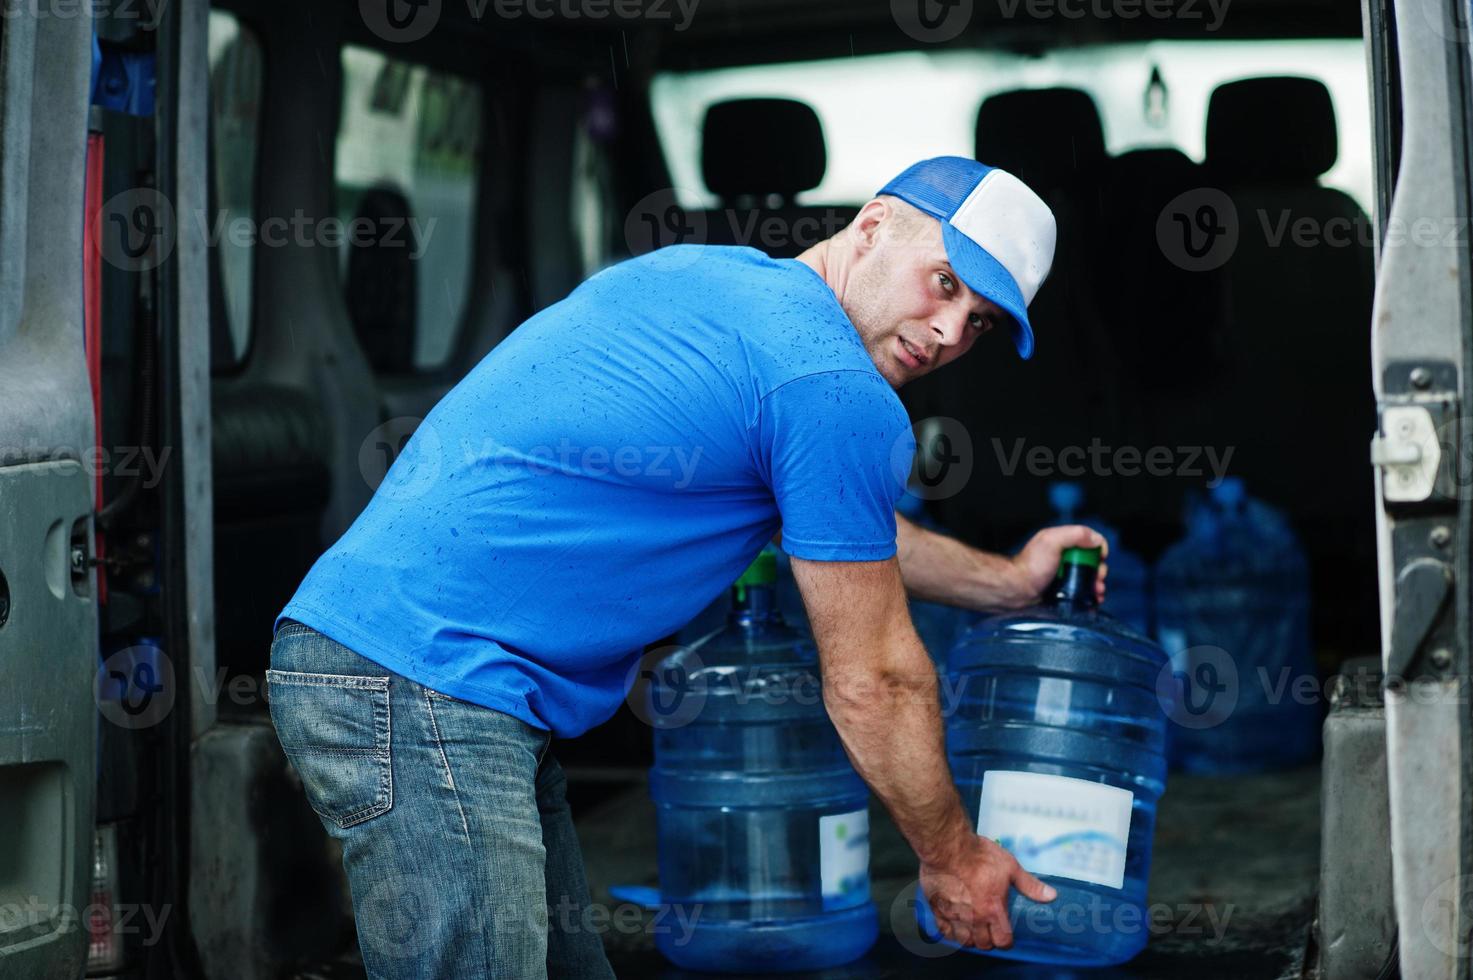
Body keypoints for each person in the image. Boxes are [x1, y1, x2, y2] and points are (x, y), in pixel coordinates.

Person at [266, 156, 1108, 978]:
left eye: (982, 323)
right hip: (429, 684)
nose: (949, 333)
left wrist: (1006, 583)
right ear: (873, 224)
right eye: (947, 284)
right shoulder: (832, 387)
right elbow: (875, 682)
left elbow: (848, 539)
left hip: (423, 673)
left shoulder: (710, 282)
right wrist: (952, 856)